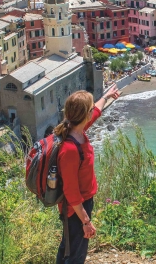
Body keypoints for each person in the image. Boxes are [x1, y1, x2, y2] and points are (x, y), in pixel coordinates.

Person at [54, 86, 121, 263]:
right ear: (85, 115)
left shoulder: (77, 131)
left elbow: (97, 112)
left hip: (80, 206)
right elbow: (71, 192)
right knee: (76, 255)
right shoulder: (70, 149)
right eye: (90, 109)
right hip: (75, 209)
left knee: (68, 249)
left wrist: (105, 97)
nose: (93, 111)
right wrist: (85, 221)